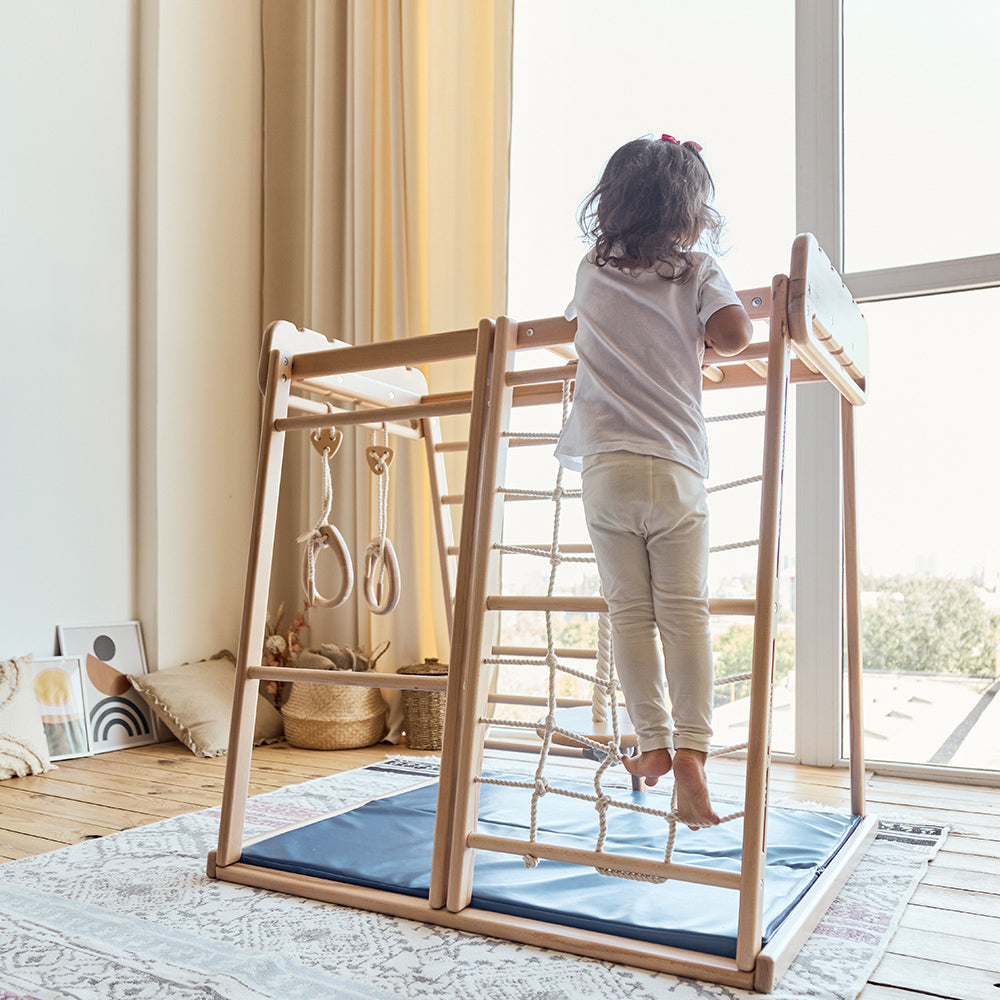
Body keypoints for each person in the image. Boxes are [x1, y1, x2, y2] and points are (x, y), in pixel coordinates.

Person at [554, 135, 753, 829]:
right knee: (684, 612)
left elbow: (582, 327)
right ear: (690, 215)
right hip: (674, 469)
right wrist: (700, 335)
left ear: (610, 208)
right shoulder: (697, 269)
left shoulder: (591, 270)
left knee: (628, 615)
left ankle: (654, 741)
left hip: (606, 472)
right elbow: (736, 337)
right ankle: (693, 751)